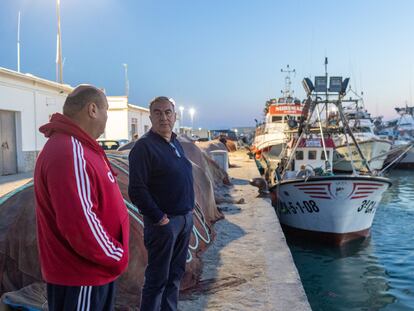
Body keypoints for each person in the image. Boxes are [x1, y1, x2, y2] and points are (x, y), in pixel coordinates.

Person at [34, 85, 129, 310]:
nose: (107, 118)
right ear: (93, 109)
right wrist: (116, 255)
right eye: (106, 111)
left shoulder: (81, 147)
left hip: (93, 272)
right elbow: (79, 223)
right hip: (84, 276)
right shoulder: (69, 151)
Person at [128, 96, 194, 311]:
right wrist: (159, 218)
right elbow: (137, 189)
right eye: (158, 112)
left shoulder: (175, 142)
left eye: (168, 112)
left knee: (175, 276)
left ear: (175, 116)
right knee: (157, 280)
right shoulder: (144, 147)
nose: (163, 117)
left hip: (184, 220)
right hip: (164, 225)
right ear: (150, 117)